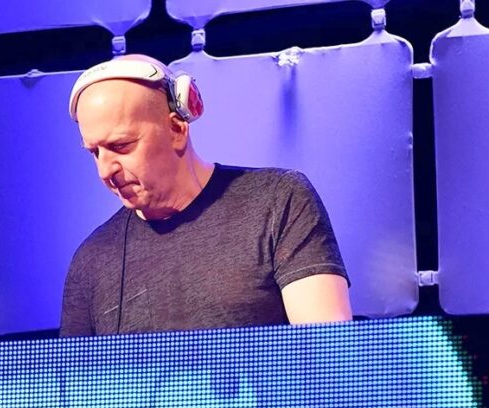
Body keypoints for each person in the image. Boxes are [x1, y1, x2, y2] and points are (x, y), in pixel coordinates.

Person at [59, 54, 351, 337]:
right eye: (95, 153)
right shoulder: (92, 261)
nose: (105, 170)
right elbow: (74, 384)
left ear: (176, 129)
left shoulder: (278, 201)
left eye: (122, 146)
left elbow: (326, 353)